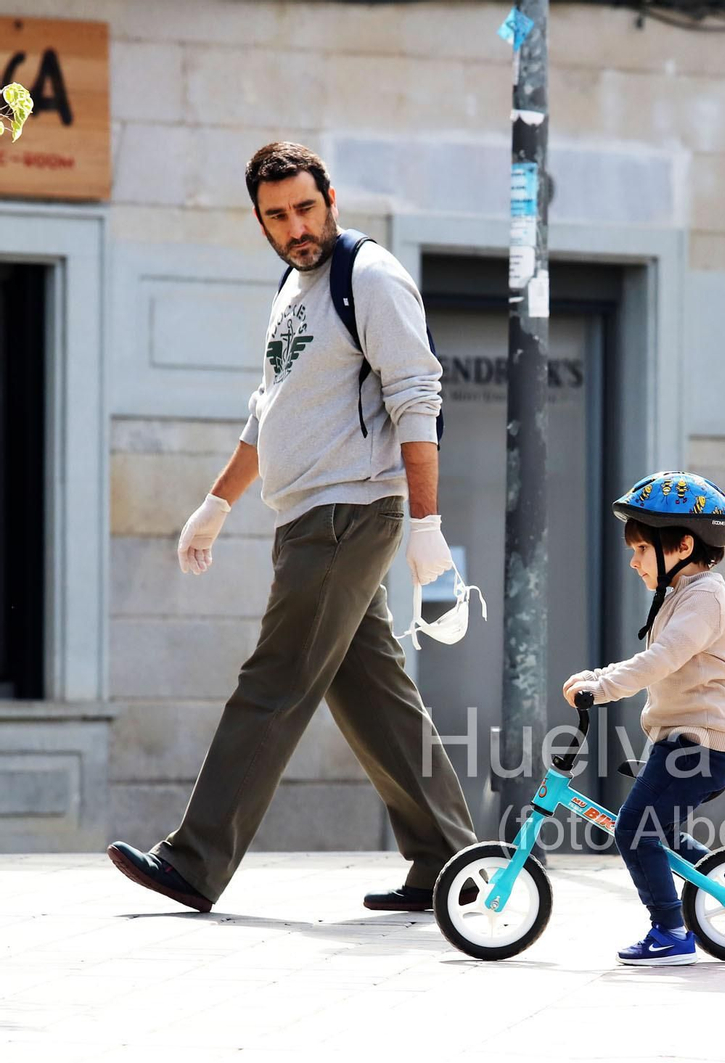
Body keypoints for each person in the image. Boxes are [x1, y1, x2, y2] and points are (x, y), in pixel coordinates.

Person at [106, 142, 477, 914]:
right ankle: (450, 863)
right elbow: (268, 407)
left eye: (304, 208)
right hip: (309, 513)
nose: (294, 226)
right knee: (372, 691)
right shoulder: (293, 286)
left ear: (330, 196)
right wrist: (216, 502)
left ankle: (195, 858)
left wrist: (427, 523)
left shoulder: (367, 276)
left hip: (348, 512)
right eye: (276, 216)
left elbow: (418, 393)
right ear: (260, 220)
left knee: (273, 679)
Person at [562, 472, 725, 966]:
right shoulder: (684, 596)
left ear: (683, 545)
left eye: (642, 548)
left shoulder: (705, 599)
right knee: (659, 834)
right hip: (684, 743)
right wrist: (598, 675)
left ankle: (670, 931)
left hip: (699, 747)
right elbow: (658, 660)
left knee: (634, 830)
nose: (633, 560)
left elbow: (661, 660)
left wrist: (601, 686)